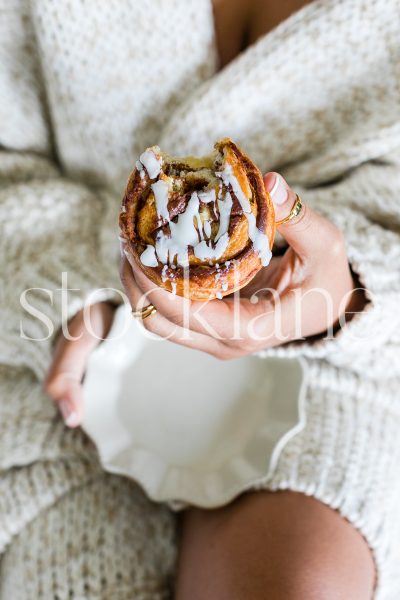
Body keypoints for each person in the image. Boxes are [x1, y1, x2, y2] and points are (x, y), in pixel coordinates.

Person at [1, 0, 399, 598]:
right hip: (58, 340)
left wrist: (348, 290)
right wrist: (68, 289)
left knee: (297, 584)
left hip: (342, 354)